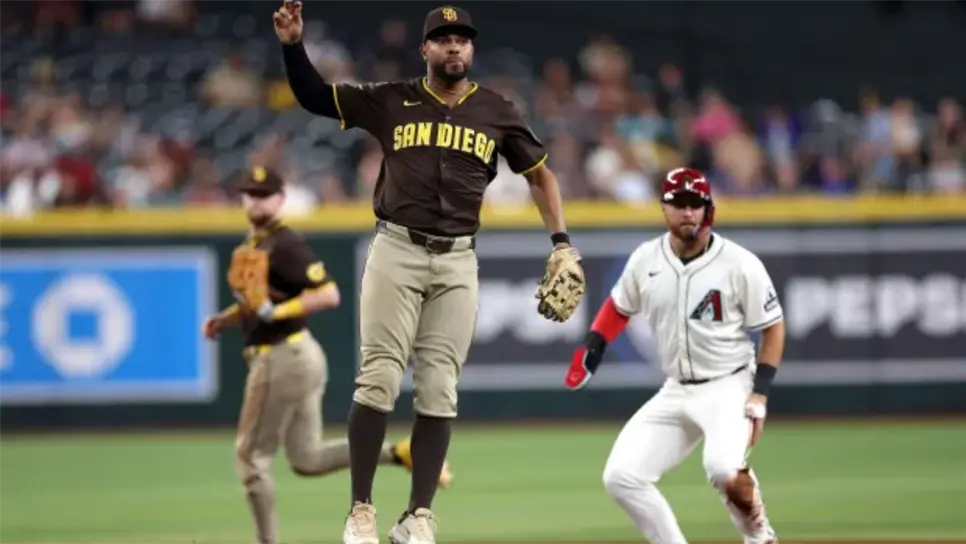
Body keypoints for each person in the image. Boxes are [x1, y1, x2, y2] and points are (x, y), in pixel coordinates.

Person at [274, 3, 582, 544]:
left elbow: (542, 178)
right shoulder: (391, 98)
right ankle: (361, 510)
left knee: (440, 389)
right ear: (425, 50)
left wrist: (562, 243)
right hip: (397, 249)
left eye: (462, 38)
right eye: (443, 39)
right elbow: (315, 97)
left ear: (473, 49)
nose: (454, 46)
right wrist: (293, 46)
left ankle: (418, 516)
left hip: (459, 257)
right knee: (379, 378)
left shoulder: (496, 110)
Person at [202, 167, 452, 544]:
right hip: (297, 357)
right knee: (305, 459)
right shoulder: (254, 246)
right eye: (250, 193)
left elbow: (328, 294)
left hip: (281, 356)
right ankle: (399, 453)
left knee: (251, 458)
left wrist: (279, 312)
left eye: (264, 193)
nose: (255, 200)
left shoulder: (284, 243)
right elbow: (260, 302)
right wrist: (229, 318)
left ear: (280, 199)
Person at [564, 167, 784, 544]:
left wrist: (760, 393)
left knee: (723, 469)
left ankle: (761, 537)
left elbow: (773, 327)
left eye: (695, 204)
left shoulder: (739, 263)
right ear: (664, 208)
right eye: (679, 204)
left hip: (728, 384)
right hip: (676, 389)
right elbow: (619, 307)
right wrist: (593, 345)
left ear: (707, 208)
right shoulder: (646, 258)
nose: (687, 212)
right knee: (621, 476)